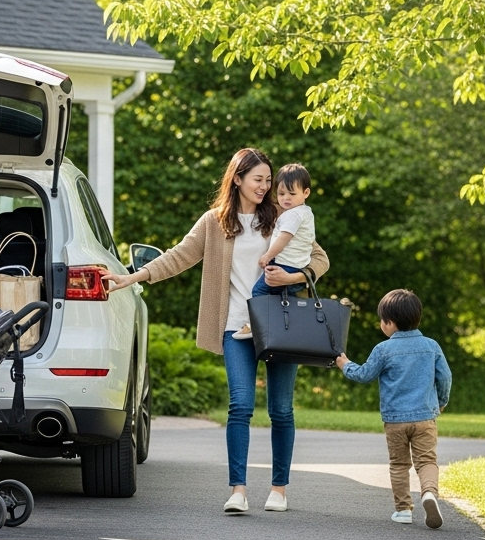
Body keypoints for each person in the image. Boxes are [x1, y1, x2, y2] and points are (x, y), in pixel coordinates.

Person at [103, 148, 329, 514]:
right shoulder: (215, 222)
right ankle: (238, 490)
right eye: (258, 179)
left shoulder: (281, 218)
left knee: (281, 410)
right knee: (240, 406)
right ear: (237, 179)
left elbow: (320, 258)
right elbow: (177, 256)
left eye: (268, 180)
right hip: (234, 327)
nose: (265, 187)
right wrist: (130, 278)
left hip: (279, 327)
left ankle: (278, 489)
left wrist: (295, 276)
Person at [335, 289, 452, 528]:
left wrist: (345, 364)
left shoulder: (383, 349)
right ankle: (429, 493)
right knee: (427, 461)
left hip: (395, 421)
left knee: (399, 465)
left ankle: (403, 510)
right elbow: (445, 377)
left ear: (389, 323)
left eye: (382, 320)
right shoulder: (431, 346)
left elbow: (364, 374)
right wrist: (441, 402)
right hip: (424, 418)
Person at [234, 163, 316, 340]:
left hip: (285, 266)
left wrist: (268, 256)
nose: (285, 198)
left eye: (291, 194)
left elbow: (284, 238)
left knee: (259, 292)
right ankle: (278, 327)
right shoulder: (306, 213)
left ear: (306, 193)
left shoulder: (293, 215)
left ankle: (257, 326)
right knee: (284, 301)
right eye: (281, 193)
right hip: (296, 267)